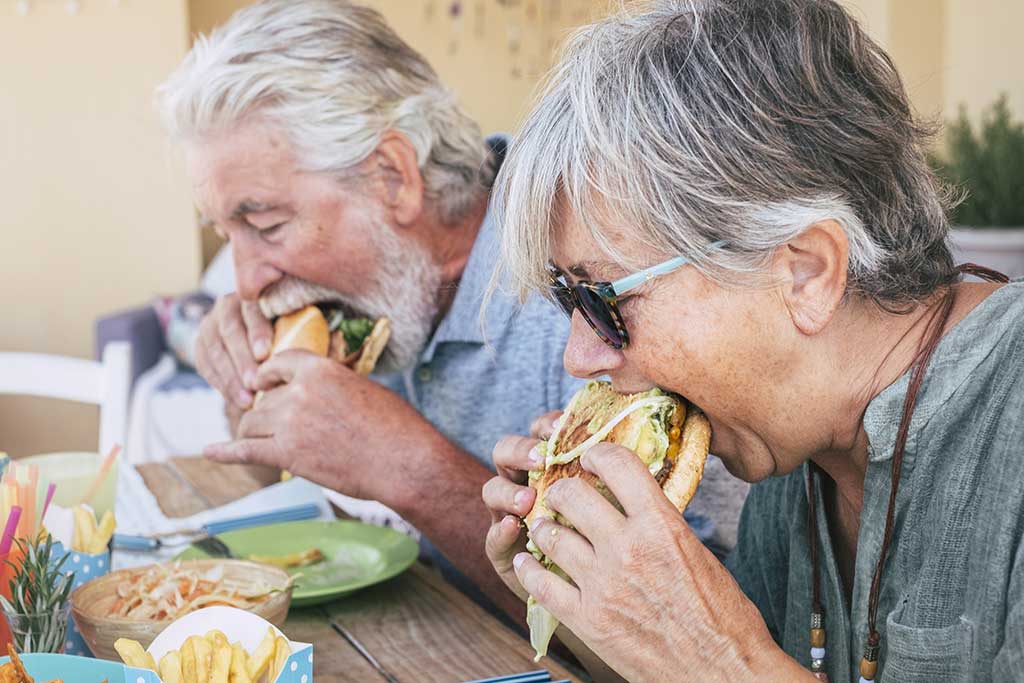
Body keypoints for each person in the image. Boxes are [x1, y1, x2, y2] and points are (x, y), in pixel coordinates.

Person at [482, 1, 1024, 681]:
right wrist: (582, 599)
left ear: (806, 273)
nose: (578, 355)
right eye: (567, 298)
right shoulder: (792, 450)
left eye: (604, 298)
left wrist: (719, 656)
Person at [155, 0, 739, 622]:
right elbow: (271, 488)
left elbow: (690, 614)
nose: (246, 280)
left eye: (266, 224)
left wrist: (408, 466)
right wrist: (249, 389)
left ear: (394, 177)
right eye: (227, 233)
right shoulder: (379, 290)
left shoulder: (596, 286)